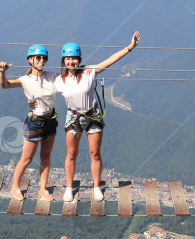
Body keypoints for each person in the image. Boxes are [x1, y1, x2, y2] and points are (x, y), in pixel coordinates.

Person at [56, 31, 140, 202]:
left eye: (74, 58)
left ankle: (96, 187)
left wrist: (129, 48)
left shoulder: (89, 72)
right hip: (73, 118)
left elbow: (110, 60)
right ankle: (69, 187)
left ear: (79, 60)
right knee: (71, 153)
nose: (71, 61)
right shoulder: (59, 80)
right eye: (68, 59)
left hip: (93, 116)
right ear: (63, 61)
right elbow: (39, 84)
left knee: (95, 153)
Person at [0, 45, 59, 201]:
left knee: (46, 157)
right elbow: (5, 85)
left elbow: (70, 79)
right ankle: (15, 187)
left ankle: (43, 189)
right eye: (38, 57)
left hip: (50, 120)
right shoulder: (26, 80)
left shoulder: (52, 76)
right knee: (27, 158)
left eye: (44, 57)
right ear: (30, 60)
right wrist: (2, 73)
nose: (41, 60)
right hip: (35, 123)